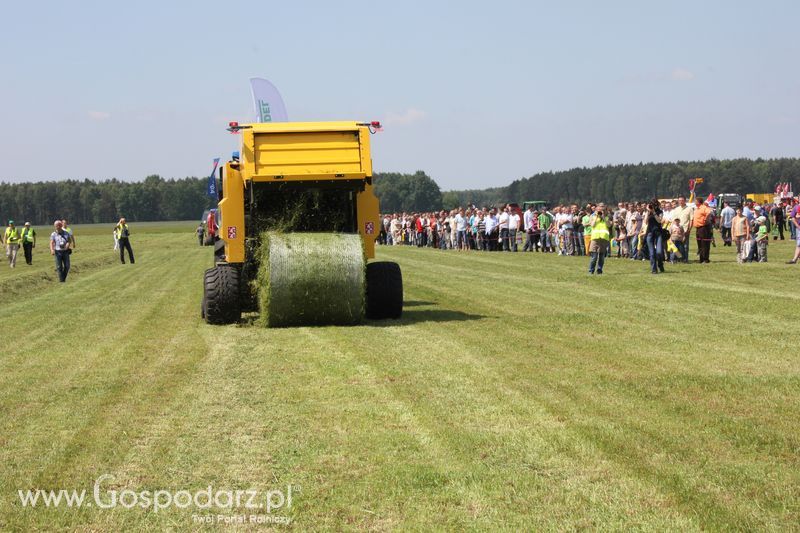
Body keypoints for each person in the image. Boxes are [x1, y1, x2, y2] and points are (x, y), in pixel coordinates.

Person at [588, 204, 611, 275]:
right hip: (595, 238)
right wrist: (596, 217)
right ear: (596, 209)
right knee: (594, 257)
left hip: (604, 238)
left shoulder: (607, 217)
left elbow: (609, 225)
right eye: (599, 209)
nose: (601, 211)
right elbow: (592, 225)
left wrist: (603, 216)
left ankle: (599, 270)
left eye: (602, 209)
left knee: (601, 257)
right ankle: (591, 271)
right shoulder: (592, 216)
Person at [644, 200, 665, 274]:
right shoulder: (648, 212)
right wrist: (647, 212)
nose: (653, 206)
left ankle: (660, 264)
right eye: (652, 205)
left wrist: (653, 212)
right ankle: (654, 269)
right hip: (649, 233)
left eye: (654, 205)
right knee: (652, 253)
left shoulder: (660, 212)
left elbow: (659, 221)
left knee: (659, 252)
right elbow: (645, 221)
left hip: (658, 233)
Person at [692, 197, 713, 263]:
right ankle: (701, 259)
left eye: (695, 201)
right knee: (699, 244)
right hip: (698, 228)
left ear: (699, 202)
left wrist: (706, 219)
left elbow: (709, 212)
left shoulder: (704, 207)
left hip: (704, 228)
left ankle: (705, 259)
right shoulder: (696, 209)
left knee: (705, 244)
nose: (694, 202)